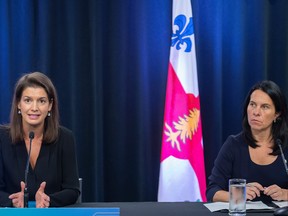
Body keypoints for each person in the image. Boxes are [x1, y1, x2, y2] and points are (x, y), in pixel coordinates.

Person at [0, 72, 80, 207]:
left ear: (50, 105)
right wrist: (12, 201)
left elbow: (72, 190)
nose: (34, 108)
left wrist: (49, 200)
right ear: (19, 104)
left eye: (41, 101)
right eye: (28, 100)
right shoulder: (2, 138)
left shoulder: (65, 138)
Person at [206, 80, 288, 202]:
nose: (256, 112)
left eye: (265, 107)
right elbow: (212, 191)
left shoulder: (284, 146)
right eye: (253, 104)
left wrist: (285, 194)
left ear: (277, 114)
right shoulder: (233, 145)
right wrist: (238, 194)